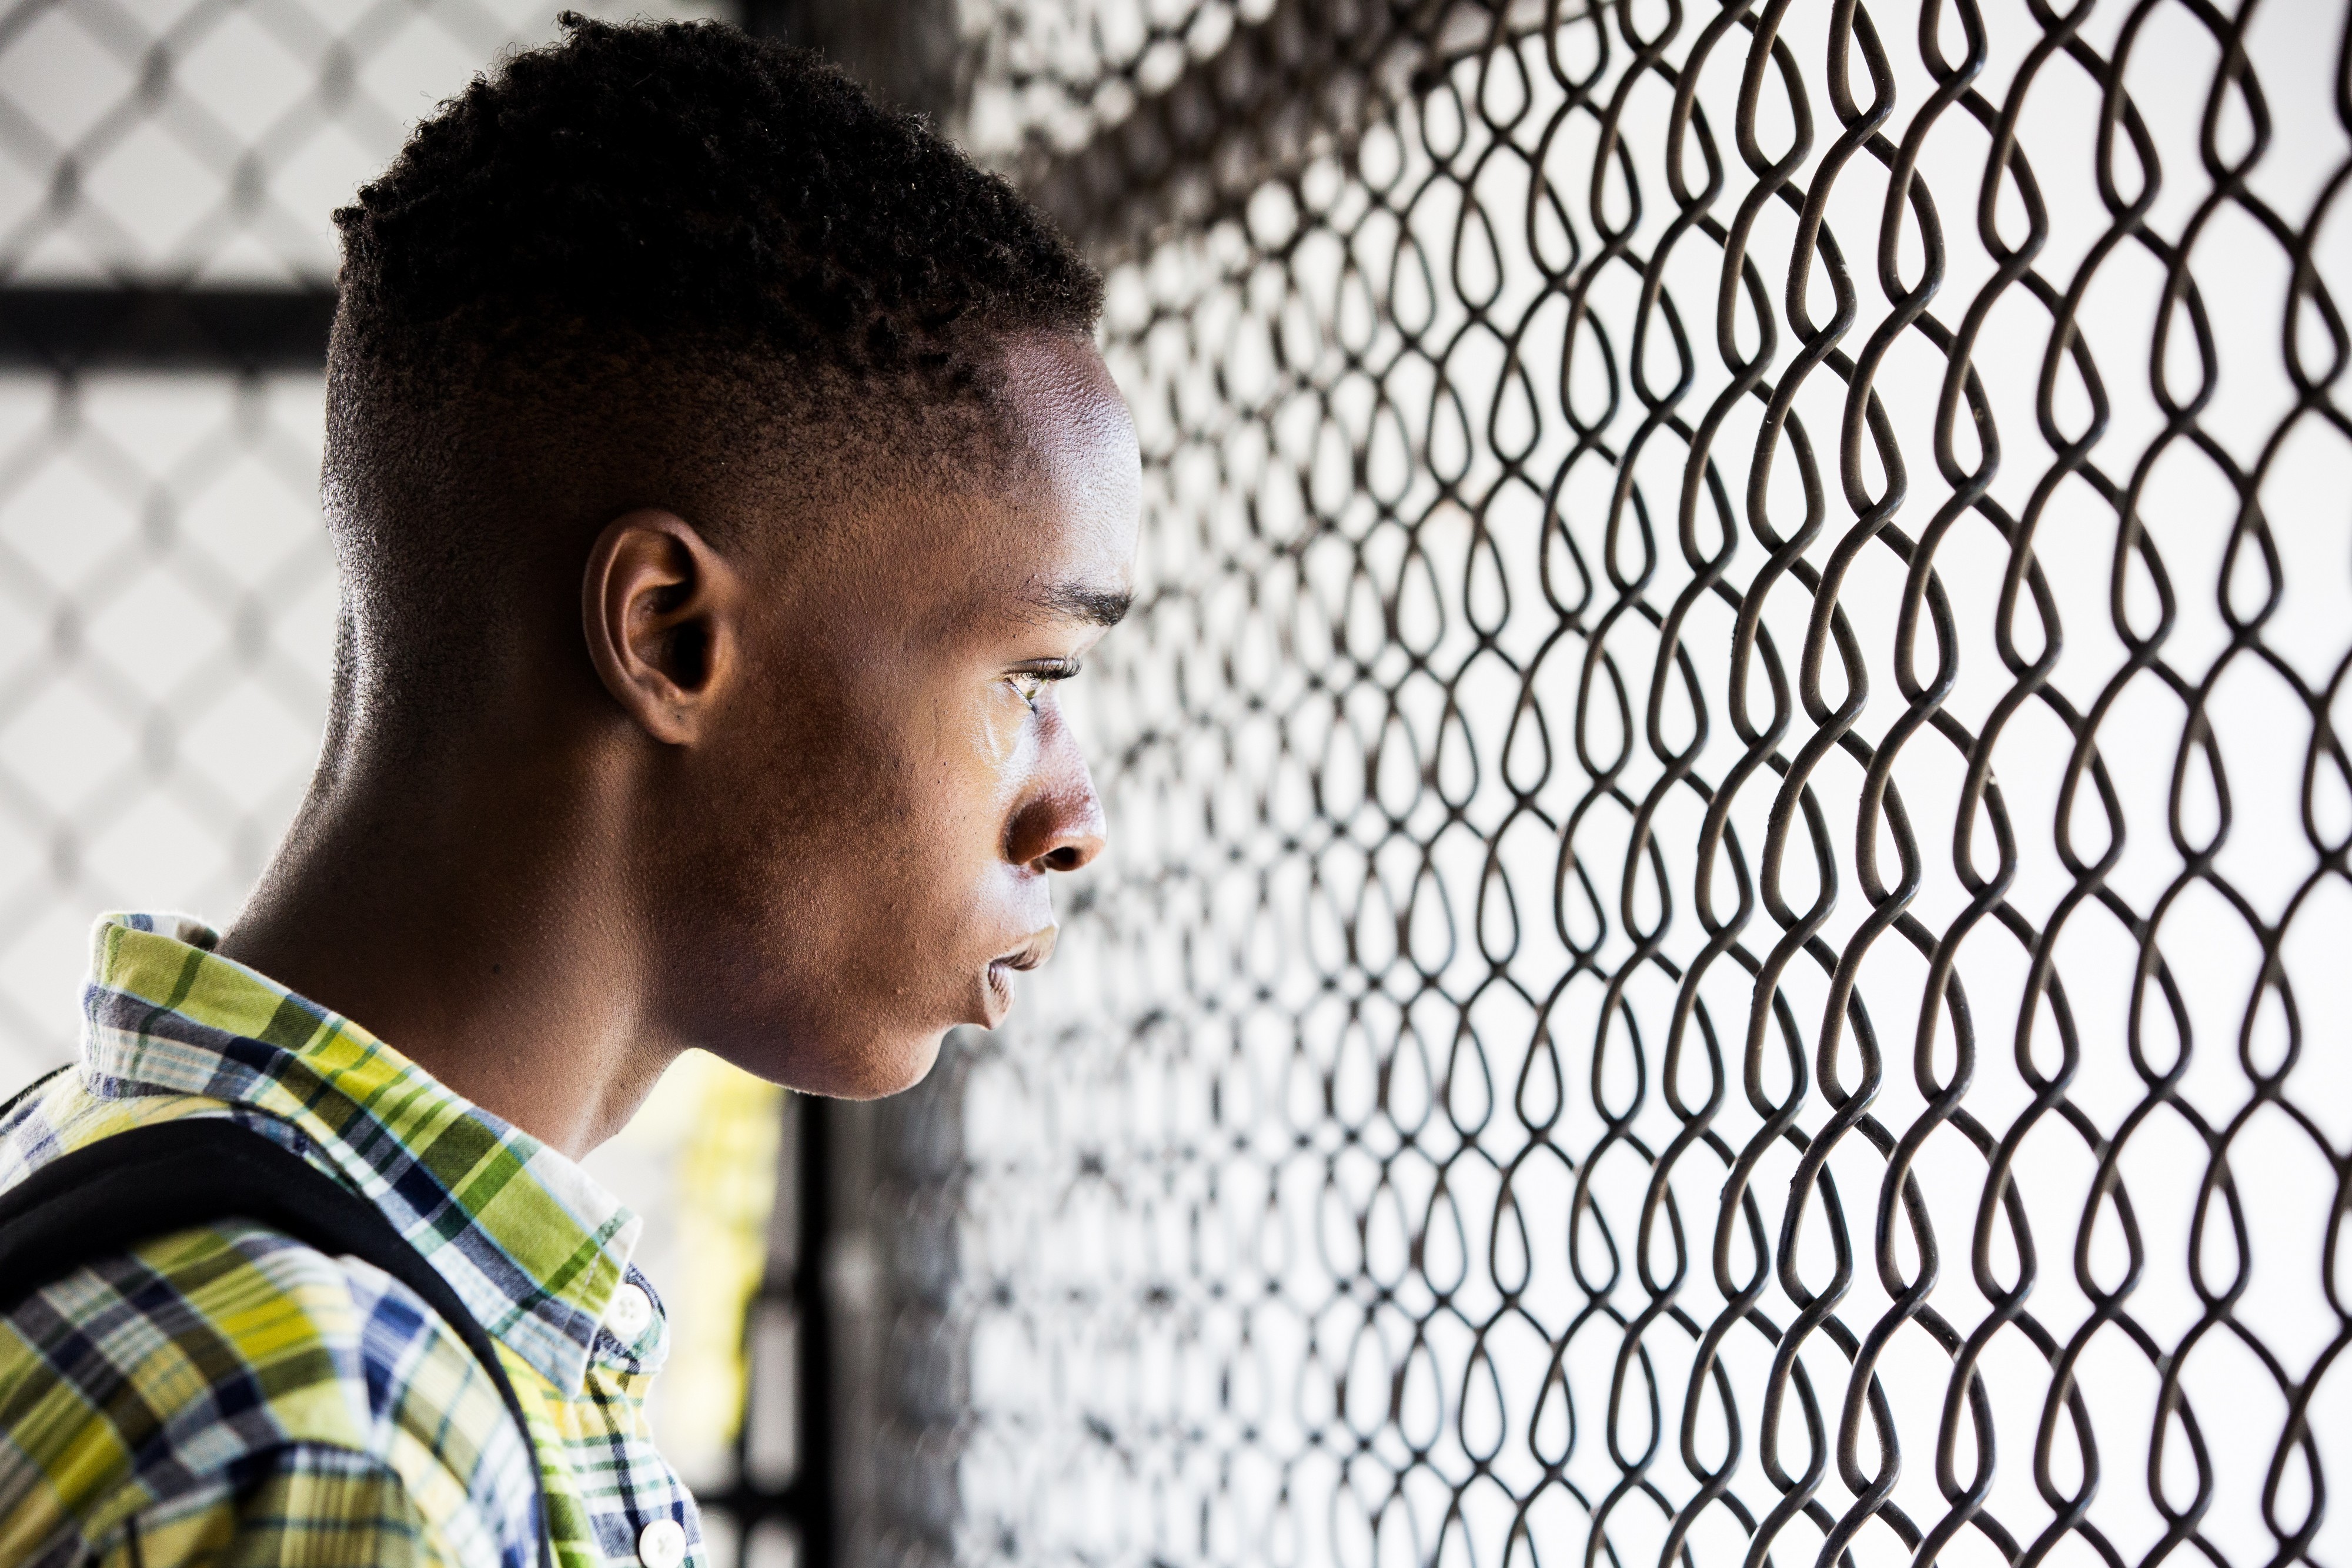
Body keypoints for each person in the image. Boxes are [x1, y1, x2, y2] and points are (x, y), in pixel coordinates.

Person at [0, 15, 1137, 1567]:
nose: (1079, 817)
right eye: (1032, 676)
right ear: (669, 635)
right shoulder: (346, 1443)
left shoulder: (97, 1152)